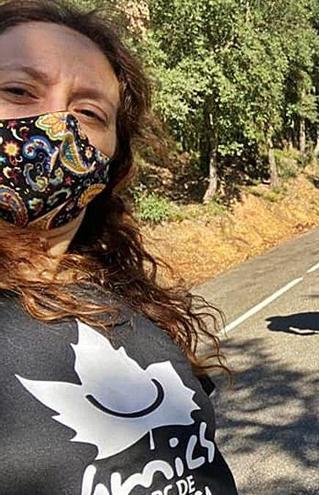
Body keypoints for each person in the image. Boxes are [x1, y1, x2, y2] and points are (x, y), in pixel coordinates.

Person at [0, 2, 238, 493]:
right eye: (18, 91)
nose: (55, 123)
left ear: (112, 159)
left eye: (88, 112)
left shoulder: (125, 302)